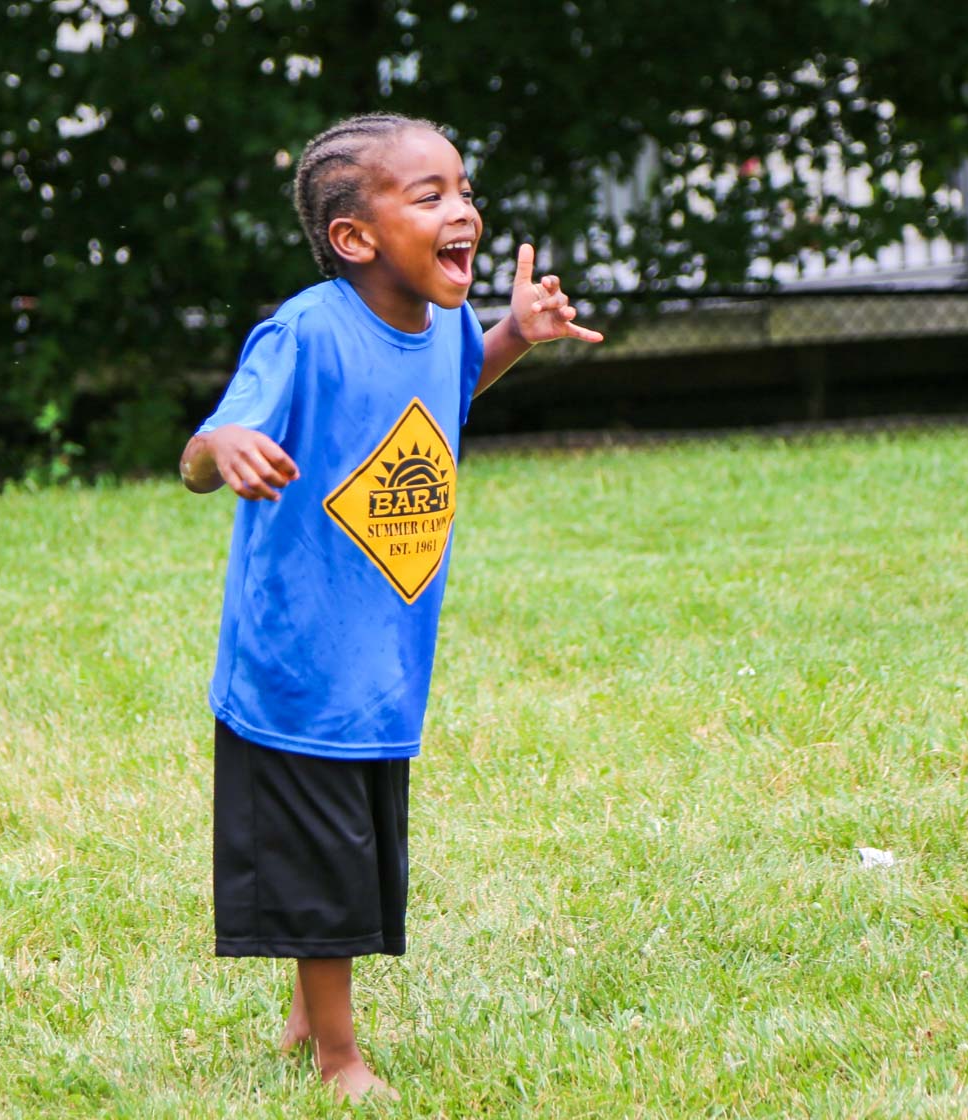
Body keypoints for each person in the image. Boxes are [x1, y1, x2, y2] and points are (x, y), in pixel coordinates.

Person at [177, 112, 603, 1102]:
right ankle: (338, 1055)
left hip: (381, 663)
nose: (464, 211)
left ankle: (301, 1016)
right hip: (297, 663)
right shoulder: (306, 331)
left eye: (463, 189)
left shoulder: (443, 324)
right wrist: (226, 447)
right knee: (326, 869)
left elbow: (449, 386)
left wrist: (511, 338)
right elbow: (205, 448)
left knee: (351, 858)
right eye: (431, 195)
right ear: (354, 238)